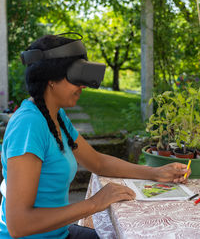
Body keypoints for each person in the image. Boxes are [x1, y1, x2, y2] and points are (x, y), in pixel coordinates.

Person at [0, 33, 190, 239]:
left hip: (57, 234)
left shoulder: (55, 115)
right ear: (50, 80)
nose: (83, 85)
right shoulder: (29, 126)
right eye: (75, 76)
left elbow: (97, 162)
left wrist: (155, 172)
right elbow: (19, 225)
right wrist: (93, 203)